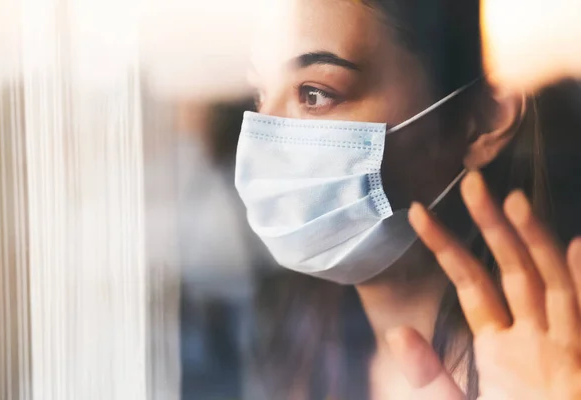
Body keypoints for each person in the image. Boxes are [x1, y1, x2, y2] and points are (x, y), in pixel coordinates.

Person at [232, 0, 581, 399]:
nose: (265, 134)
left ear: (485, 115)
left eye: (315, 94)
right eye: (260, 93)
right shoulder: (283, 337)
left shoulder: (553, 372)